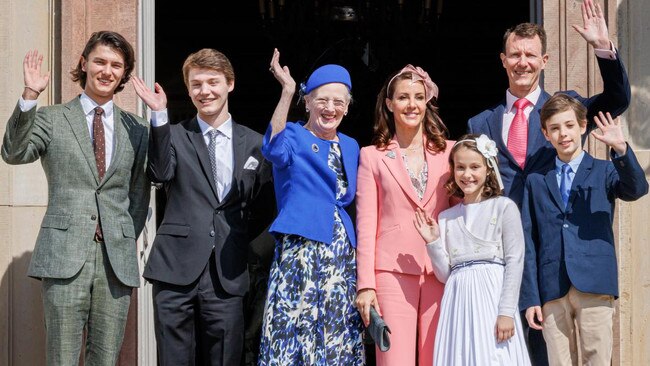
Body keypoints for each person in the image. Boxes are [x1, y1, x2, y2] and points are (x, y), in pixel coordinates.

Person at [467, 1, 631, 362]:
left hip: (560, 257)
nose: (522, 62)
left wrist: (604, 49)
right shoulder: (480, 124)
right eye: (514, 54)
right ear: (503, 60)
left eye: (530, 54)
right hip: (502, 254)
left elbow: (618, 100)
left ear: (545, 61)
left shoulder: (566, 109)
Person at [1, 31, 150, 365]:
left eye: (116, 65)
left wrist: (122, 236)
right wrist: (29, 96)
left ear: (123, 73)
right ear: (84, 63)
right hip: (64, 258)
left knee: (106, 358)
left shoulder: (138, 128)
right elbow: (13, 153)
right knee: (63, 356)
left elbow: (139, 195)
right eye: (100, 61)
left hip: (115, 262)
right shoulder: (52, 118)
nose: (107, 71)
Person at [132, 48, 274, 365]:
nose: (204, 91)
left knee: (225, 357)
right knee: (173, 358)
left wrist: (243, 246)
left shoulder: (255, 143)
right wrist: (158, 116)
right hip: (174, 270)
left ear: (230, 84)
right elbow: (158, 174)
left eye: (213, 82)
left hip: (228, 271)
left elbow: (264, 207)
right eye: (196, 84)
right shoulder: (175, 134)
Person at [520, 94, 648, 365]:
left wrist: (621, 149)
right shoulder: (535, 181)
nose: (563, 134)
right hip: (551, 288)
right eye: (554, 128)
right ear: (545, 134)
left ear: (582, 126)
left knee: (597, 360)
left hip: (594, 283)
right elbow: (528, 242)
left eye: (568, 125)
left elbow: (637, 189)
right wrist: (530, 298)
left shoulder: (605, 171)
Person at [258, 49, 365, 365]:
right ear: (306, 101)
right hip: (301, 254)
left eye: (339, 102)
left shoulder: (351, 145)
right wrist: (287, 91)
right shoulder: (292, 134)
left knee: (335, 335)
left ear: (346, 108)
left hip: (341, 257)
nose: (331, 108)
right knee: (295, 335)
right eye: (323, 100)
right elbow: (272, 149)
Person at [355, 65, 453, 366]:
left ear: (427, 102)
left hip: (440, 272)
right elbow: (366, 222)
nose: (412, 104)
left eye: (418, 97)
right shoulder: (372, 155)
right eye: (403, 97)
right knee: (394, 360)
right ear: (389, 103)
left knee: (437, 359)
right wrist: (365, 284)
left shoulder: (451, 153)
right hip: (391, 273)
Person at [415, 134, 531, 365]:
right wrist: (433, 242)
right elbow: (445, 275)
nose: (467, 175)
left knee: (493, 356)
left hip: (492, 297)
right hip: (458, 303)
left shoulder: (503, 207)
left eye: (475, 167)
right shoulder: (447, 218)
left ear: (488, 169)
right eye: (460, 168)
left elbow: (515, 261)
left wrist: (506, 311)